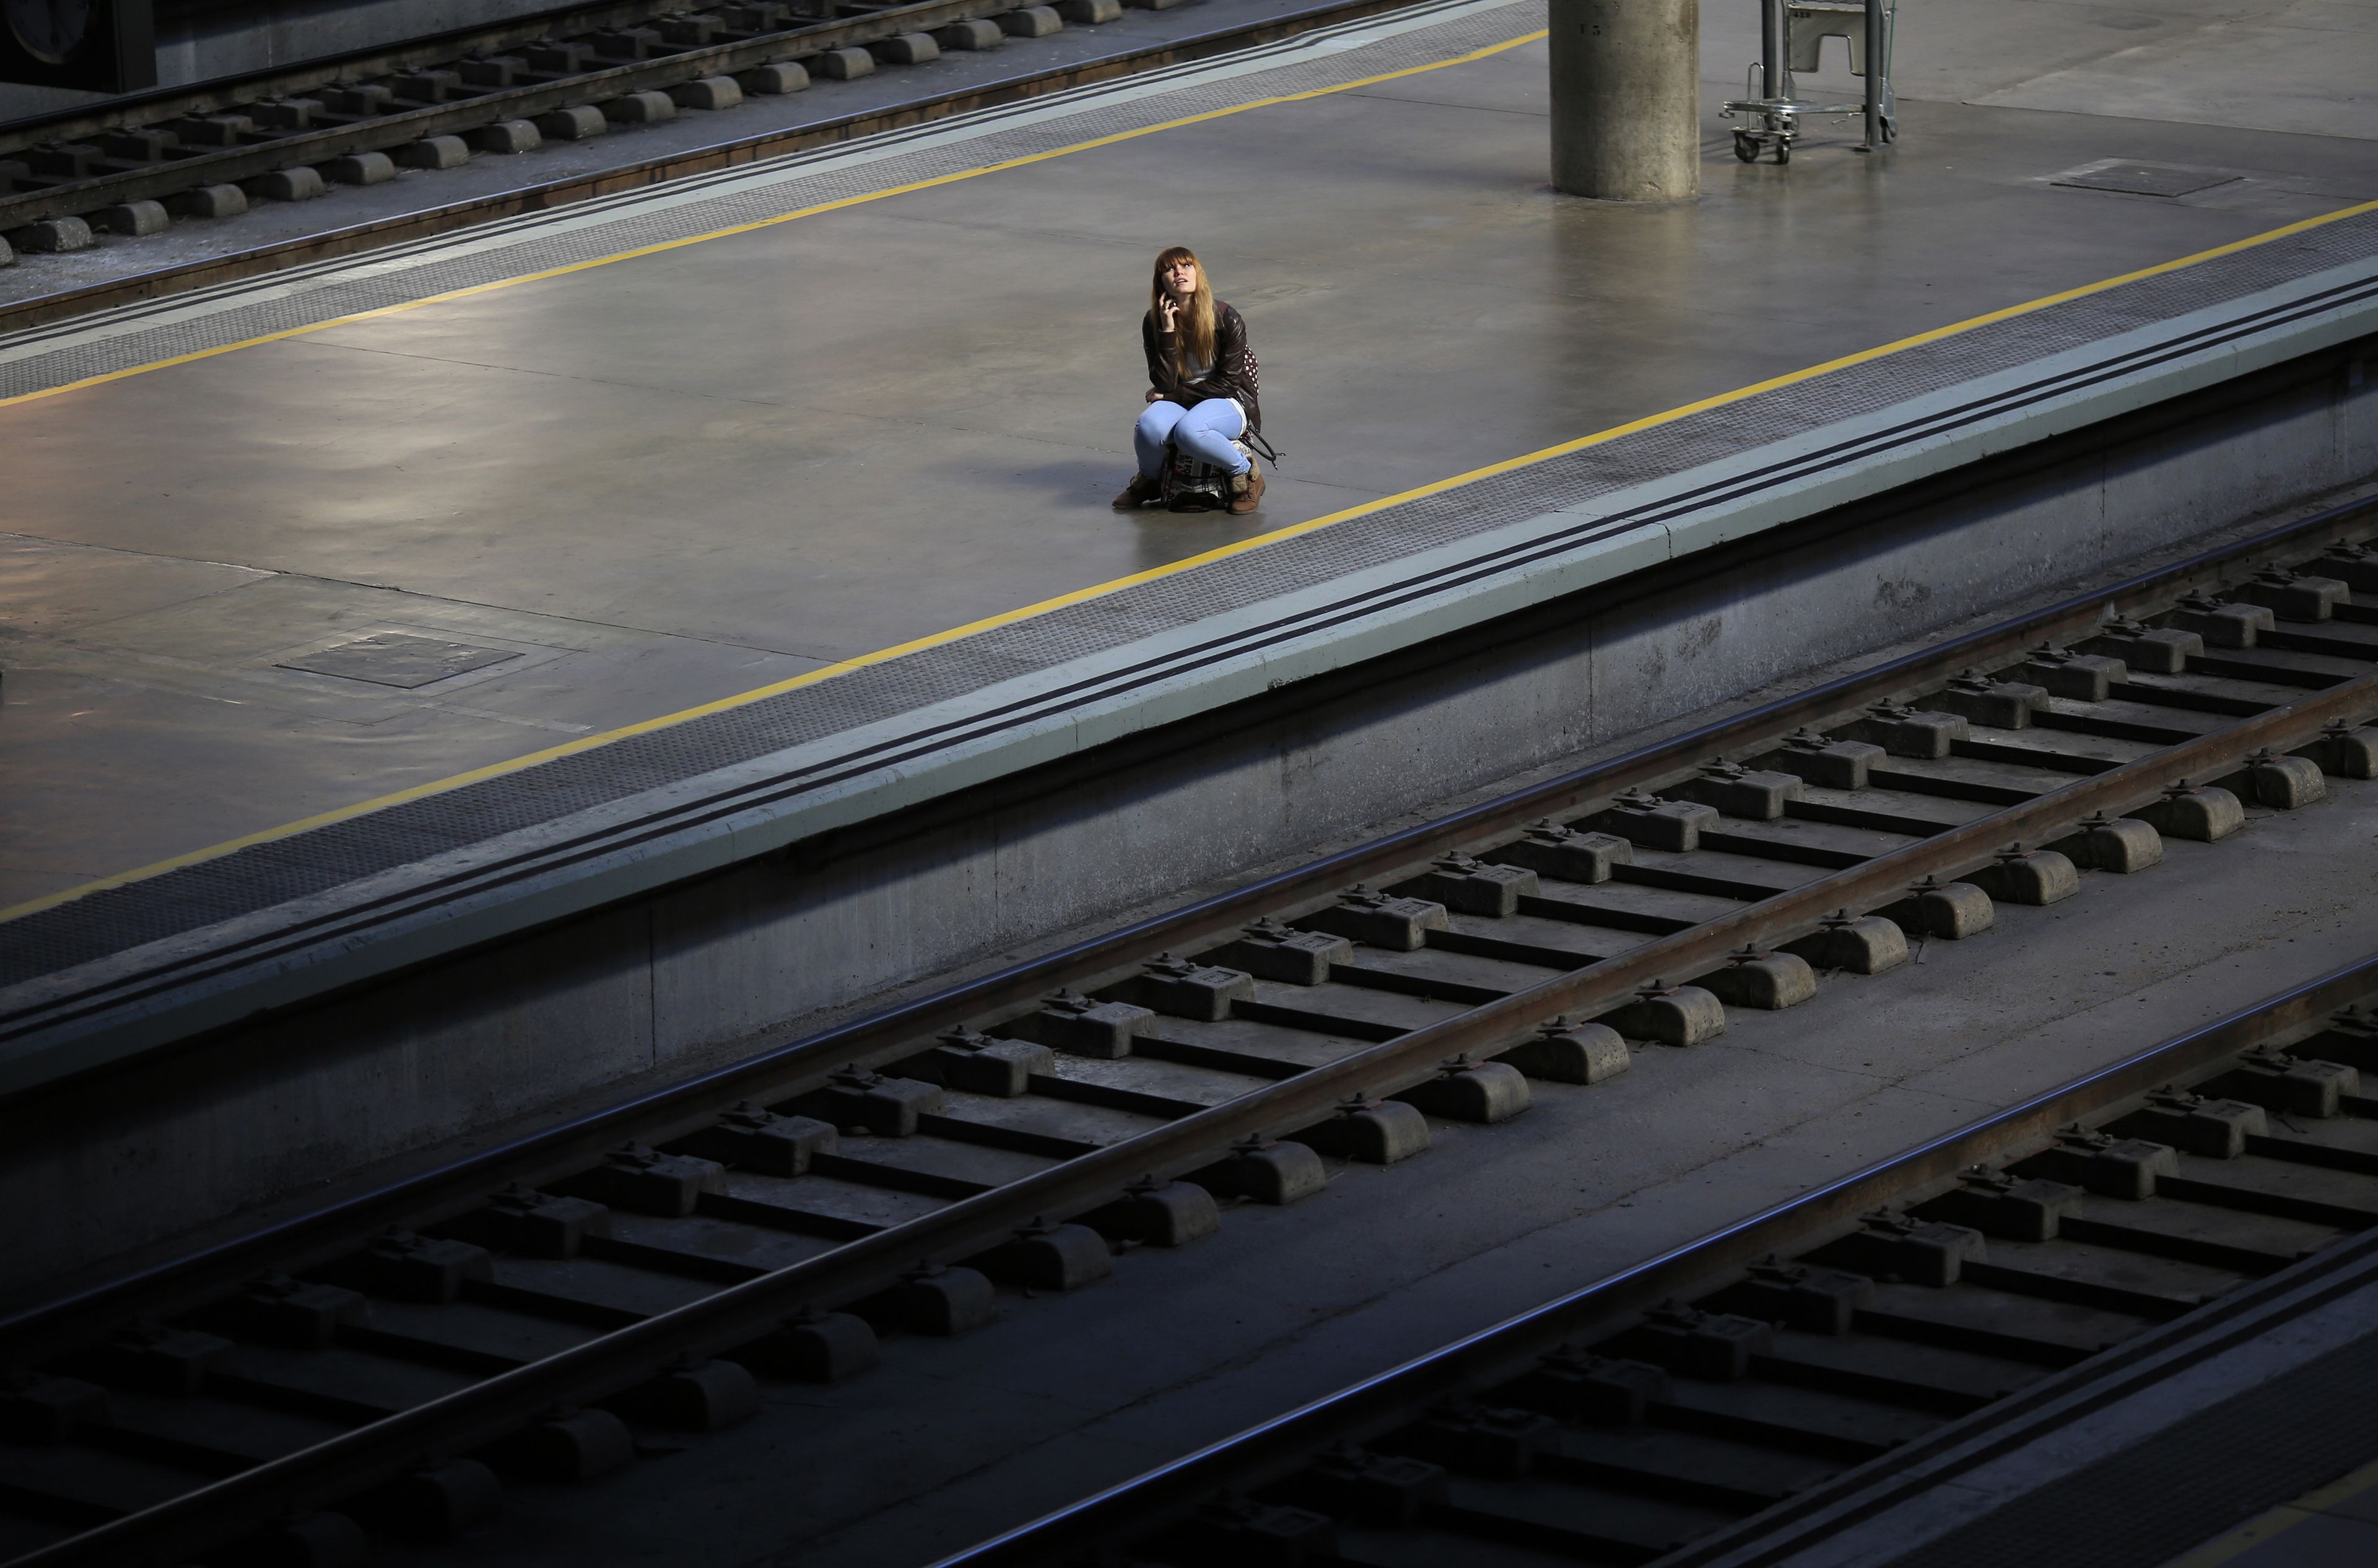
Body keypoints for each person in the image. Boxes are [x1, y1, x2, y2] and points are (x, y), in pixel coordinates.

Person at [1113, 246, 1267, 515]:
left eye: (1186, 266)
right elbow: (1164, 382)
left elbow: (1228, 383)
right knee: (1148, 426)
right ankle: (1150, 480)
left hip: (1227, 401)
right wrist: (1168, 330)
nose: (1179, 272)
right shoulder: (1153, 321)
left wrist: (1172, 397)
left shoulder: (1226, 317)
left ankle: (1246, 474)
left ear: (1198, 274)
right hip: (1184, 398)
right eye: (1169, 270)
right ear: (1161, 282)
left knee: (1189, 431)